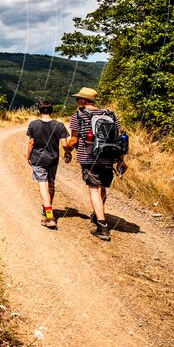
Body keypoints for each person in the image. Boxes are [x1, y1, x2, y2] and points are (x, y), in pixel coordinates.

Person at [65, 87, 127, 242]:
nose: (77, 101)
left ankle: (102, 226)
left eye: (77, 99)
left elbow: (74, 140)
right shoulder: (111, 114)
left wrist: (66, 148)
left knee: (94, 190)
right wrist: (121, 159)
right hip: (109, 156)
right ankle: (97, 215)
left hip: (89, 157)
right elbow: (119, 138)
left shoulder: (78, 116)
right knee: (102, 188)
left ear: (83, 101)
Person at [26, 100, 69, 229]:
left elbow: (31, 143)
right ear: (51, 111)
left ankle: (49, 215)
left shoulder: (33, 125)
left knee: (43, 184)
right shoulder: (59, 125)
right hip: (53, 159)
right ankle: (48, 208)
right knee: (50, 183)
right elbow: (65, 144)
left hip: (38, 159)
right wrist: (67, 153)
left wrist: (28, 156)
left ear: (39, 111)